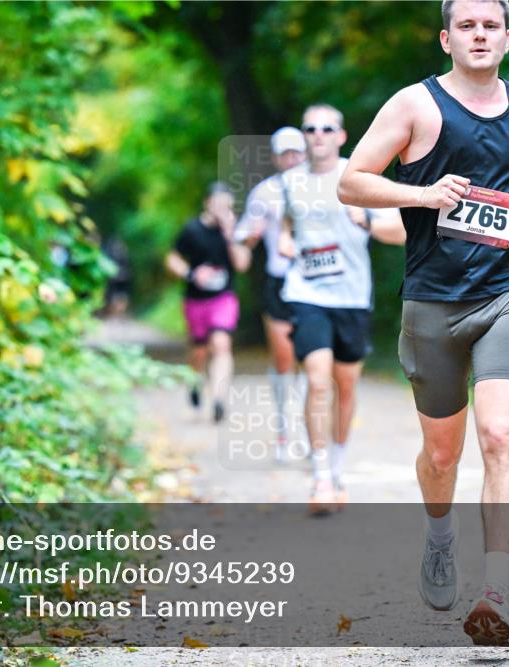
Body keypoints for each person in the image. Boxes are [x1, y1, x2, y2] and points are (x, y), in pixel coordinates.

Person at [337, 0, 509, 646]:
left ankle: (496, 591)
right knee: (442, 453)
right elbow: (352, 182)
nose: (478, 35)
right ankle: (440, 535)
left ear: (508, 38)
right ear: (446, 38)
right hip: (434, 300)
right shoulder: (415, 105)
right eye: (465, 25)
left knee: (499, 434)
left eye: (489, 25)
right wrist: (422, 194)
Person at [278, 104, 405, 515]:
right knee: (317, 382)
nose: (318, 135)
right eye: (310, 128)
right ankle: (319, 476)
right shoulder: (288, 182)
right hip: (307, 293)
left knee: (345, 388)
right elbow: (283, 226)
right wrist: (283, 241)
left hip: (352, 297)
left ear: (341, 135)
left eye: (326, 128)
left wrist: (366, 219)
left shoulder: (359, 177)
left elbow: (401, 232)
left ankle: (336, 466)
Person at [234, 127, 308, 461]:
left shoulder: (322, 188)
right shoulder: (264, 193)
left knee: (313, 359)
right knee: (283, 358)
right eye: (286, 153)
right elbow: (243, 239)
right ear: (277, 157)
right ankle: (284, 430)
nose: (292, 158)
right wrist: (252, 235)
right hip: (279, 280)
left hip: (316, 282)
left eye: (297, 151)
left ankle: (308, 431)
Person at [165, 182, 250, 423]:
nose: (222, 209)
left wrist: (230, 235)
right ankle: (195, 382)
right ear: (207, 203)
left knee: (221, 344)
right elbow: (172, 258)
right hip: (196, 300)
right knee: (199, 351)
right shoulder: (192, 230)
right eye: (218, 203)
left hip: (223, 298)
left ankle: (219, 398)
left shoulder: (234, 231)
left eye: (227, 205)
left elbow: (243, 265)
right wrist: (191, 274)